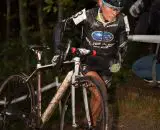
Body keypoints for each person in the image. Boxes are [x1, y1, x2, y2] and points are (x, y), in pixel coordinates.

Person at [53, 0, 129, 128]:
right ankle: (90, 124)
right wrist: (57, 51)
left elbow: (123, 45)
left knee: (98, 99)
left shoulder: (122, 19)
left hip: (107, 64)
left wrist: (119, 61)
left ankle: (89, 124)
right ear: (100, 3)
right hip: (87, 61)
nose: (116, 13)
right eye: (112, 8)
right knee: (101, 93)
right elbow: (61, 25)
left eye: (119, 9)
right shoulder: (87, 14)